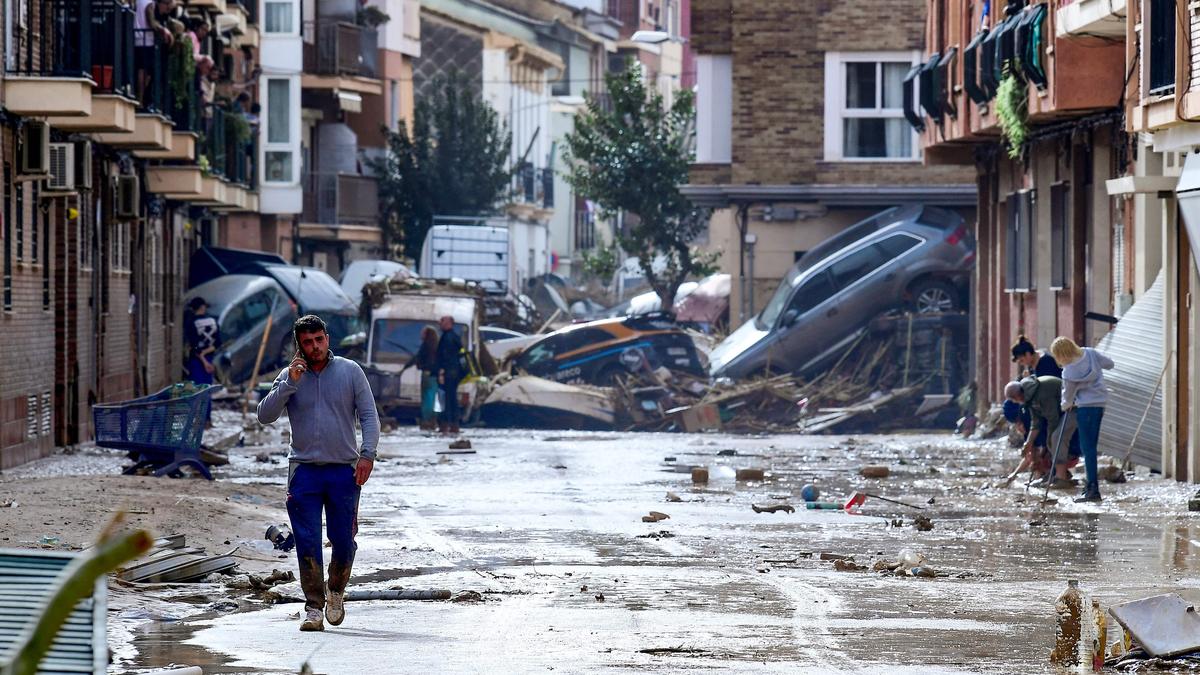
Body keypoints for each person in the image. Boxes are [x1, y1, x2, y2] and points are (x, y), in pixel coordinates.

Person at [257, 315, 380, 632]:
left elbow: (369, 416)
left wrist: (367, 455)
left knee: (343, 540)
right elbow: (264, 415)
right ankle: (313, 607)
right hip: (304, 472)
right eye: (307, 343)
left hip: (344, 472)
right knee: (307, 542)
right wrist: (289, 384)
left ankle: (335, 590)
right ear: (299, 346)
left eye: (319, 340)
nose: (314, 347)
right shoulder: (289, 377)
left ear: (327, 338)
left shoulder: (351, 372)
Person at [1051, 336, 1115, 503]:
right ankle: (1090, 487)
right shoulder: (1091, 353)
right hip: (1100, 403)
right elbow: (1110, 364)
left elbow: (1067, 399)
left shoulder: (1068, 372)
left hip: (1084, 408)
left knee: (1088, 449)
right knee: (1091, 447)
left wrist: (1066, 405)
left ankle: (1092, 489)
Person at [1004, 375, 1081, 488]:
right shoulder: (1029, 397)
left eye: (1014, 399)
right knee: (1051, 441)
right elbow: (1035, 422)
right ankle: (1055, 474)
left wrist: (1048, 440)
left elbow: (1053, 418)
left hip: (1074, 407)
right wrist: (1029, 443)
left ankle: (1061, 478)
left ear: (1017, 396)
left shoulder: (1040, 393)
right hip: (1062, 410)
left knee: (1055, 438)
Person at [435, 315, 464, 434]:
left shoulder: (448, 338)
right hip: (454, 372)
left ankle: (447, 424)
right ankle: (452, 424)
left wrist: (442, 371)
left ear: (449, 323)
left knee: (447, 399)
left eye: (442, 321)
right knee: (451, 399)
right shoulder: (454, 337)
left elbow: (445, 356)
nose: (440, 323)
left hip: (449, 372)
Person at [183, 297, 219, 385]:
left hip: (197, 360)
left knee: (197, 388)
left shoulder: (191, 323)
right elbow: (218, 343)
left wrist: (203, 359)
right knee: (207, 387)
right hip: (209, 358)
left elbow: (194, 346)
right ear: (203, 307)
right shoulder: (213, 321)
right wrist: (206, 356)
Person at [416, 325, 439, 431]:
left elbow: (418, 359)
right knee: (433, 398)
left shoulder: (425, 346)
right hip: (435, 375)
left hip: (426, 374)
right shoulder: (437, 346)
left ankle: (426, 421)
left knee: (426, 399)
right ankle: (433, 420)